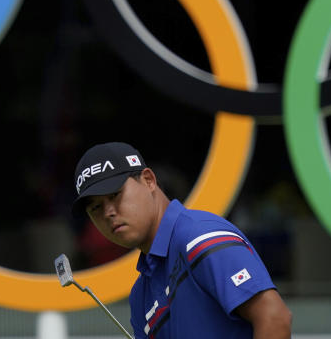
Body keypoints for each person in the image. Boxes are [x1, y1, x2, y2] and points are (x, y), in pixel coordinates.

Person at [72, 142, 291, 338]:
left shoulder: (198, 235)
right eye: (96, 207)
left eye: (115, 194)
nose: (108, 212)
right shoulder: (140, 295)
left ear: (148, 180)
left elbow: (274, 319)